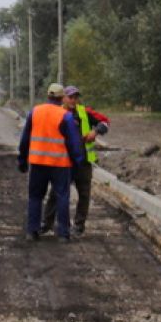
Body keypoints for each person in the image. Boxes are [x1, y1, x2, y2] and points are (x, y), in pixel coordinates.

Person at [18, 84, 87, 241]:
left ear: (47, 95)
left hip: (37, 163)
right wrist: (78, 161)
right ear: (62, 97)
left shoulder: (35, 112)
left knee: (35, 197)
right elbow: (74, 142)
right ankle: (63, 233)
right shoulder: (65, 116)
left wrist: (22, 159)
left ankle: (32, 231)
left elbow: (25, 138)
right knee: (62, 196)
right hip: (59, 164)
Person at [39, 85, 99, 236]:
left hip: (83, 162)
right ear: (63, 98)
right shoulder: (58, 113)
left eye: (76, 97)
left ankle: (78, 226)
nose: (73, 100)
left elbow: (104, 122)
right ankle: (47, 223)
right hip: (63, 161)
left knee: (84, 194)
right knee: (55, 193)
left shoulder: (84, 112)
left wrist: (95, 131)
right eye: (70, 97)